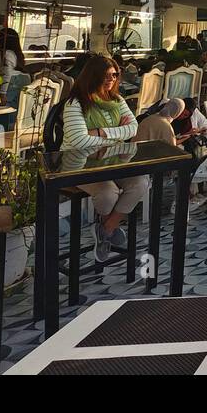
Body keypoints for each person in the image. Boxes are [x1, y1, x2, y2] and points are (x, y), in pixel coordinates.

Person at [62, 54, 146, 262]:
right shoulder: (76, 103)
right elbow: (80, 141)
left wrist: (99, 133)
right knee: (108, 193)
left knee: (141, 183)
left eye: (114, 75)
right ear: (93, 76)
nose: (111, 79)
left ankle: (106, 228)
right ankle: (109, 226)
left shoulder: (117, 100)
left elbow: (133, 128)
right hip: (80, 164)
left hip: (112, 162)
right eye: (106, 75)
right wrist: (117, 133)